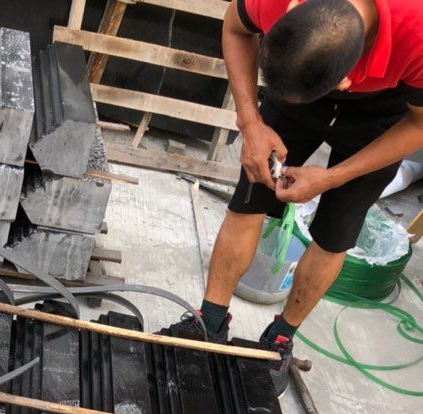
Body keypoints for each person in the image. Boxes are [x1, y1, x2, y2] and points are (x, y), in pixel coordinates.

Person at [168, 0, 423, 380]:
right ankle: (210, 322)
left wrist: (333, 177)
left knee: (336, 234)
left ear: (347, 81)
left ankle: (281, 337)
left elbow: (420, 125)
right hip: (305, 73)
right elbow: (236, 27)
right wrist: (251, 123)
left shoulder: (417, 35)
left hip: (385, 113)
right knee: (250, 198)